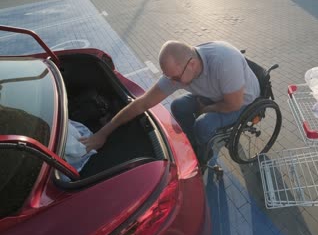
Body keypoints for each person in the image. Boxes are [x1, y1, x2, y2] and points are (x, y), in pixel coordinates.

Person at [80, 40, 260, 163]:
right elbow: (142, 103)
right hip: (215, 95)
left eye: (175, 78)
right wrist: (103, 133)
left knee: (203, 125)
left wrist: (206, 109)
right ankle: (193, 142)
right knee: (177, 106)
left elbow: (233, 104)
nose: (172, 82)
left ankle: (204, 155)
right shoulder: (179, 70)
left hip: (242, 102)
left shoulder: (223, 62)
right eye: (169, 77)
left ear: (192, 64)